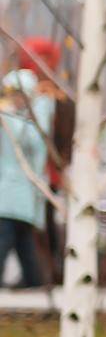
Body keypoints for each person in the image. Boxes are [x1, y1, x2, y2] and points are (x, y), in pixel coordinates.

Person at [1, 39, 60, 289]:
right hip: (13, 193)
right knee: (23, 241)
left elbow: (30, 139)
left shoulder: (34, 116)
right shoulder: (17, 115)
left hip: (17, 193)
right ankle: (35, 283)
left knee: (5, 238)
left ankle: (35, 282)